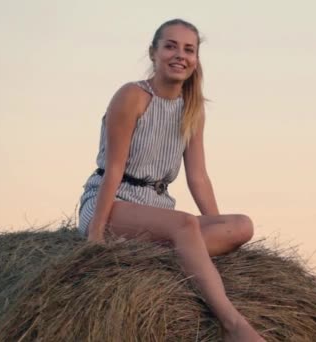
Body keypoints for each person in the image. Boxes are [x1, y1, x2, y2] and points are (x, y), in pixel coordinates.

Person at [76, 18, 265, 342]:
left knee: (242, 225)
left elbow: (199, 177)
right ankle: (234, 325)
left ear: (196, 59)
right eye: (171, 46)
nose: (180, 55)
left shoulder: (192, 108)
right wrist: (95, 235)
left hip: (158, 211)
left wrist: (216, 223)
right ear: (154, 53)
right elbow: (114, 168)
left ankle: (171, 255)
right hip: (113, 201)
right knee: (185, 227)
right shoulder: (132, 96)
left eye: (189, 49)